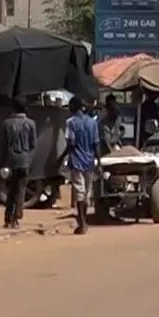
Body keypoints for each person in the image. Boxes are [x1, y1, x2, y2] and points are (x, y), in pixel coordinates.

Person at [61, 97, 100, 234]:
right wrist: (99, 161)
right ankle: (84, 222)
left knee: (79, 192)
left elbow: (70, 143)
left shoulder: (70, 123)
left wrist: (61, 157)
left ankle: (82, 222)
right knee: (87, 193)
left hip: (76, 160)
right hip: (89, 161)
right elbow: (96, 144)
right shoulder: (92, 123)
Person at [1, 97, 38, 228]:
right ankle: (16, 217)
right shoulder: (31, 123)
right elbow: (34, 145)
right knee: (21, 190)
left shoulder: (7, 124)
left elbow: (3, 146)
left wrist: (3, 163)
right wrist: (29, 159)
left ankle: (8, 218)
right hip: (25, 160)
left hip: (11, 160)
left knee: (11, 190)